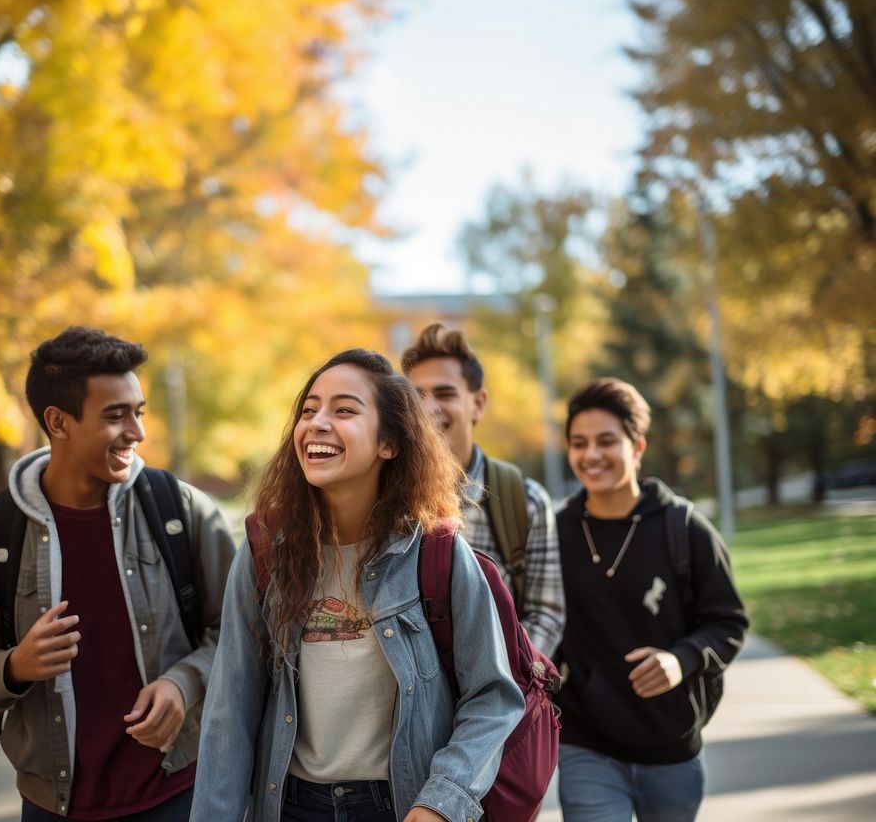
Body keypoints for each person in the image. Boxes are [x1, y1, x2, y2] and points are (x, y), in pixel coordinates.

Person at [189, 348, 524, 822]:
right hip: (290, 805)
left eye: (344, 410)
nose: (317, 423)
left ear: (389, 442)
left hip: (401, 805)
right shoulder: (266, 548)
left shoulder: (437, 552)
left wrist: (441, 803)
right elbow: (229, 709)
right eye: (309, 410)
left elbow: (493, 697)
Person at [0, 326, 237, 822]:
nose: (137, 433)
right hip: (53, 806)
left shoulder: (179, 510)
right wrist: (14, 667)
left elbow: (240, 627)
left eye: (138, 412)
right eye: (115, 416)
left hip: (178, 790)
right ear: (58, 422)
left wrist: (186, 682)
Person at [554, 377, 749, 822]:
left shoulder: (684, 528)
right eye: (579, 443)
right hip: (586, 744)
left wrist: (680, 660)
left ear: (637, 446)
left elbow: (729, 623)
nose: (592, 455)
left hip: (672, 748)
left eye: (607, 441)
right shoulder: (555, 532)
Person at [400, 322, 565, 657]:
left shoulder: (525, 500)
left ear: (478, 403)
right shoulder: (386, 498)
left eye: (445, 394)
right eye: (417, 396)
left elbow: (546, 614)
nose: (429, 408)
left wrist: (503, 684)